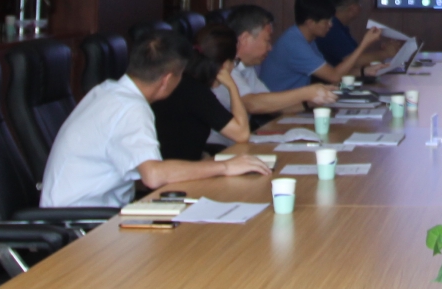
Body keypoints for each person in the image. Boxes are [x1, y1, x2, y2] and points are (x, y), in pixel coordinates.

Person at [43, 30, 271, 206]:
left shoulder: (106, 90)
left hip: (84, 213)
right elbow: (153, 176)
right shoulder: (131, 108)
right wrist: (225, 167)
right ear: (167, 80)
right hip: (80, 225)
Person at [206, 13, 335, 125]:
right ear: (245, 39)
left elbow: (273, 106)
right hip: (219, 145)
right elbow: (251, 104)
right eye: (267, 41)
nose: (270, 48)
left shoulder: (247, 67)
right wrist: (307, 92)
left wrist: (310, 101)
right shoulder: (224, 67)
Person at [152, 28, 253, 160]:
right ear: (224, 65)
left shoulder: (184, 82)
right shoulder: (195, 92)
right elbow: (242, 134)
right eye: (234, 62)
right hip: (177, 170)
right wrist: (232, 87)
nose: (233, 67)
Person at [259, 0, 386, 92]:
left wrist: (364, 71)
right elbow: (334, 77)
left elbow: (330, 71)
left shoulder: (306, 38)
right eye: (326, 21)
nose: (330, 25)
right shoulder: (294, 44)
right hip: (277, 109)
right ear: (310, 23)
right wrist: (364, 44)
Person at [318, 0, 400, 67]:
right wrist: (386, 53)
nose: (361, 7)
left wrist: (383, 52)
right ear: (353, 8)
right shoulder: (332, 29)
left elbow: (355, 56)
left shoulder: (340, 26)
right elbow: (354, 61)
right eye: (359, 3)